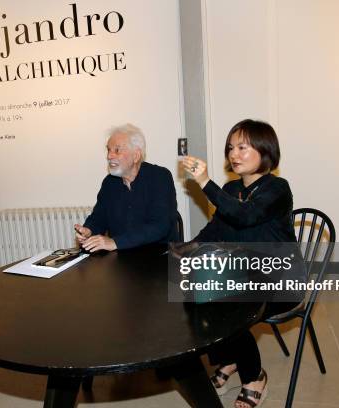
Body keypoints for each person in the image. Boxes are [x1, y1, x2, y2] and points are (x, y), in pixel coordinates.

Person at [182, 119, 298, 408]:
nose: (234, 153)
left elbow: (245, 216)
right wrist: (185, 249)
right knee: (194, 295)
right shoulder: (231, 189)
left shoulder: (278, 188)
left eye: (243, 147)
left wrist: (205, 183)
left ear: (264, 149)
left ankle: (254, 377)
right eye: (231, 147)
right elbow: (216, 230)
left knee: (228, 309)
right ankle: (227, 359)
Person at [75, 124, 178, 252]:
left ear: (136, 156)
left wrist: (115, 242)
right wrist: (89, 230)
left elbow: (159, 226)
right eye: (108, 150)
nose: (109, 156)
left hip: (159, 257)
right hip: (122, 258)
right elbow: (99, 217)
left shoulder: (159, 177)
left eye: (117, 150)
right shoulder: (109, 183)